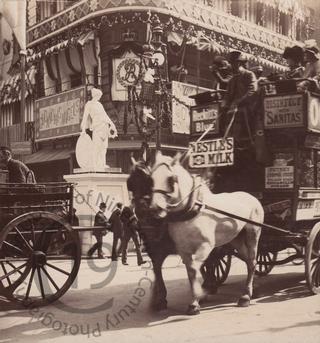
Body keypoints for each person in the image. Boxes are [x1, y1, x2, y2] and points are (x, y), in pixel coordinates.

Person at [220, 50, 258, 143]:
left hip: (246, 109)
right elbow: (227, 96)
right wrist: (224, 105)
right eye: (231, 63)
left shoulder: (249, 75)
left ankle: (241, 140)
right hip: (232, 110)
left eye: (234, 63)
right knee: (221, 120)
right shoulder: (232, 80)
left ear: (239, 63)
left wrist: (238, 102)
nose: (232, 65)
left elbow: (252, 91)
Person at [80, 88, 118, 171]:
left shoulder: (99, 105)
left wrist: (112, 124)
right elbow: (85, 117)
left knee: (104, 147)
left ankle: (102, 163)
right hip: (96, 127)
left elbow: (105, 116)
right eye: (99, 96)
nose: (100, 97)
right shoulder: (89, 104)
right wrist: (83, 130)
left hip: (104, 126)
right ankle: (95, 164)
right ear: (95, 95)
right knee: (96, 146)